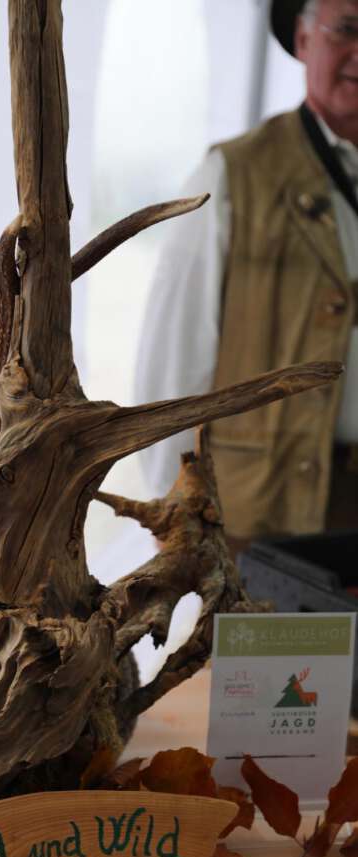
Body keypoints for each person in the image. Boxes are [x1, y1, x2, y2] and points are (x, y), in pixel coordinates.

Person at [135, 0, 358, 551]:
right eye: (348, 29)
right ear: (303, 39)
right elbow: (174, 361)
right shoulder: (232, 176)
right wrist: (174, 515)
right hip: (257, 517)